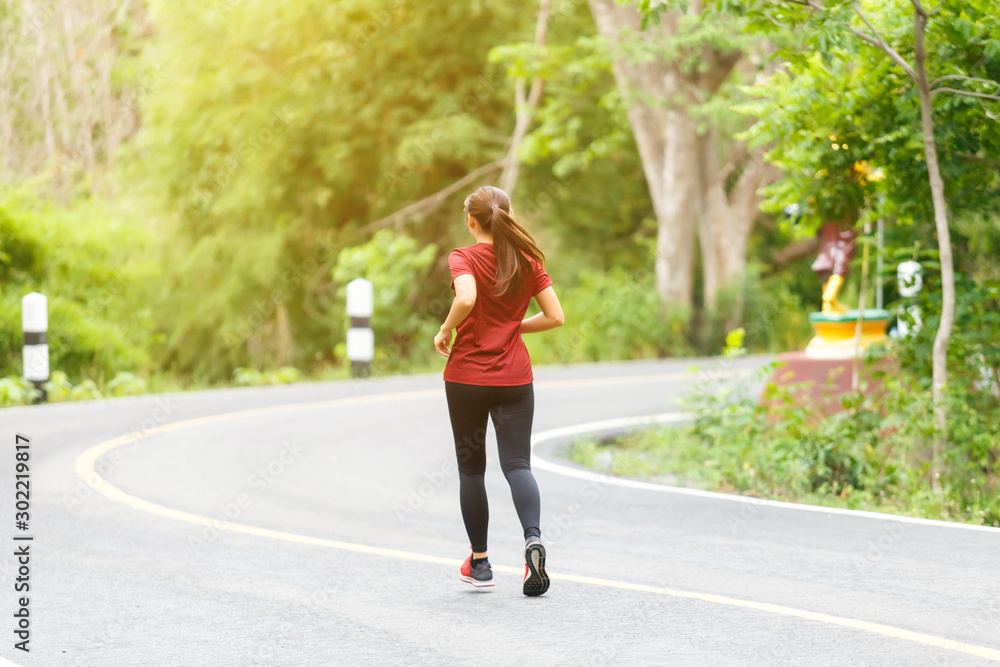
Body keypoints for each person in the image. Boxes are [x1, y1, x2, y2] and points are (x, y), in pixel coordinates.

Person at [433, 185, 565, 596]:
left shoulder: (464, 256)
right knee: (517, 466)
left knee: (473, 470)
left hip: (467, 378)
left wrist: (446, 327)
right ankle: (533, 540)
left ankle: (480, 561)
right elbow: (555, 316)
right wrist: (514, 326)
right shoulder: (526, 261)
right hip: (514, 379)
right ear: (506, 216)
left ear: (471, 220)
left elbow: (468, 296)